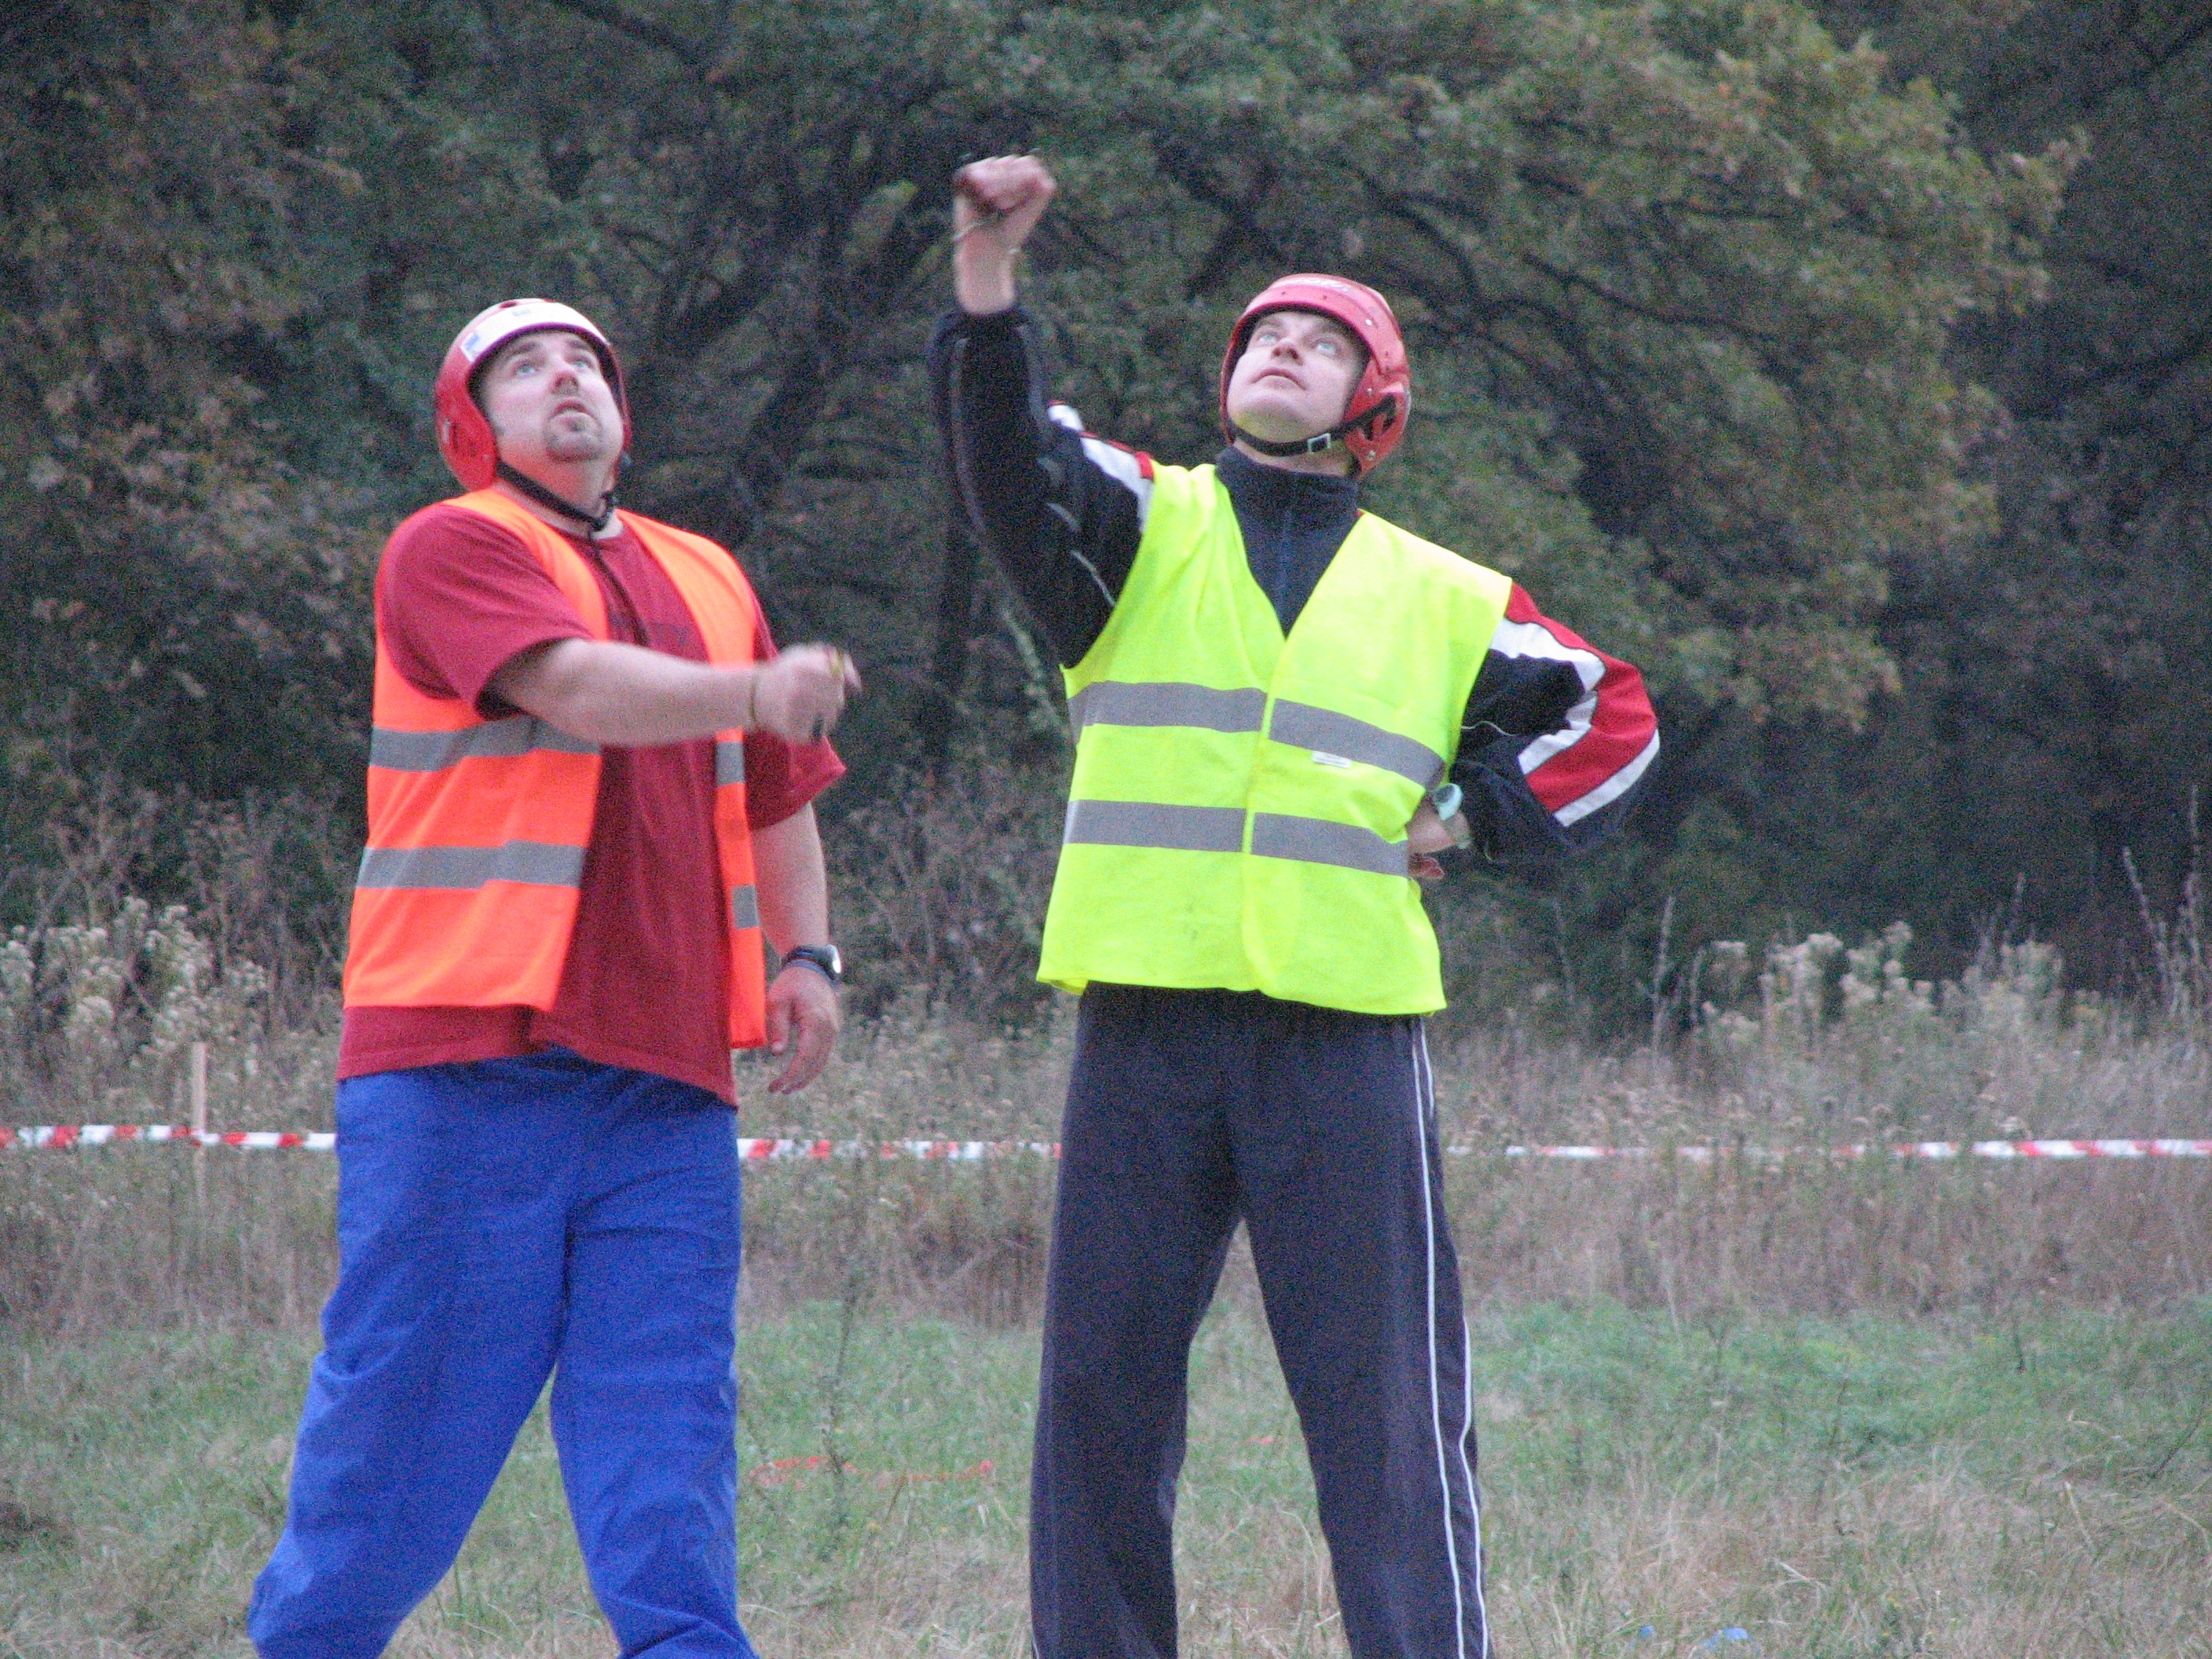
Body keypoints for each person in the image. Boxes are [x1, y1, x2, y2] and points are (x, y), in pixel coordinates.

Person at [929, 158, 1660, 1659]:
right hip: (1143, 1025)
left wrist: (1474, 815)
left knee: (1386, 1416)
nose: (1282, 346)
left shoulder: (1446, 594)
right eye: (1265, 331)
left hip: (1345, 1039)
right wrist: (987, 289)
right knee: (1100, 1405)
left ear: (1372, 408)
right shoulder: (1144, 523)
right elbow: (1006, 458)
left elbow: (1616, 716)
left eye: (1324, 342)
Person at [249, 298, 861, 1659]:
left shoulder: (708, 574)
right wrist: (753, 691)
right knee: (407, 1421)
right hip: (468, 1061)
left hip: (668, 1081)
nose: (565, 377)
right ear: (476, 429)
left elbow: (779, 794)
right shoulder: (452, 544)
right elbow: (577, 689)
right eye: (524, 369)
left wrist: (806, 957)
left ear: (621, 414)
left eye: (585, 361)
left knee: (669, 1423)